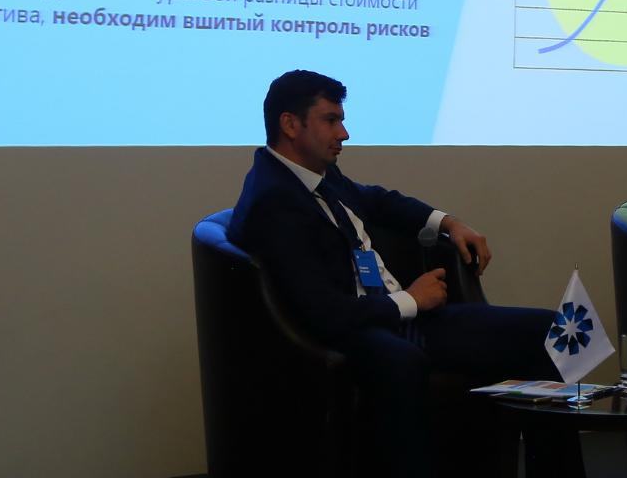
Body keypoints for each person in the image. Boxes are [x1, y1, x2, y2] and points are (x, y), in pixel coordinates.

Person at [228, 69, 565, 478]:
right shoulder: (273, 201)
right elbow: (323, 313)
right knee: (401, 362)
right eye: (331, 120)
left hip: (399, 316)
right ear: (290, 124)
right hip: (354, 330)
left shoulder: (317, 175)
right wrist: (410, 300)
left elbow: (377, 200)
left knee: (551, 330)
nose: (344, 133)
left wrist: (448, 223)